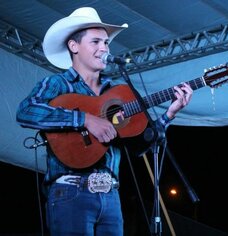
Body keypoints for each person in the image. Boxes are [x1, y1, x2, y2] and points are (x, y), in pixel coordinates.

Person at [16, 7, 193, 236]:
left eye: (106, 43)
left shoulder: (117, 93)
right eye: (96, 41)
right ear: (74, 46)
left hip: (111, 196)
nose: (104, 48)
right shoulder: (59, 84)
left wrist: (169, 114)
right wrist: (84, 119)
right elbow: (26, 111)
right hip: (71, 193)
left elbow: (140, 144)